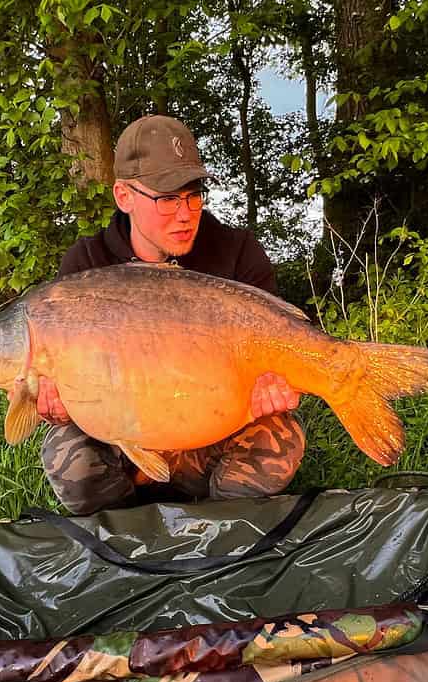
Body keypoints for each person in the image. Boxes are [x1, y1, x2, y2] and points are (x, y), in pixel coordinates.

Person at [38, 115, 306, 515]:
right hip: (124, 445)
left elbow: (277, 351)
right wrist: (56, 401)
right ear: (124, 196)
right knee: (65, 451)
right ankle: (124, 540)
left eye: (193, 194)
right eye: (167, 198)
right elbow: (61, 374)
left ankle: (222, 533)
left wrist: (279, 387)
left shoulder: (237, 252)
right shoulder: (86, 265)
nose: (185, 213)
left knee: (281, 438)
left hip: (208, 437)